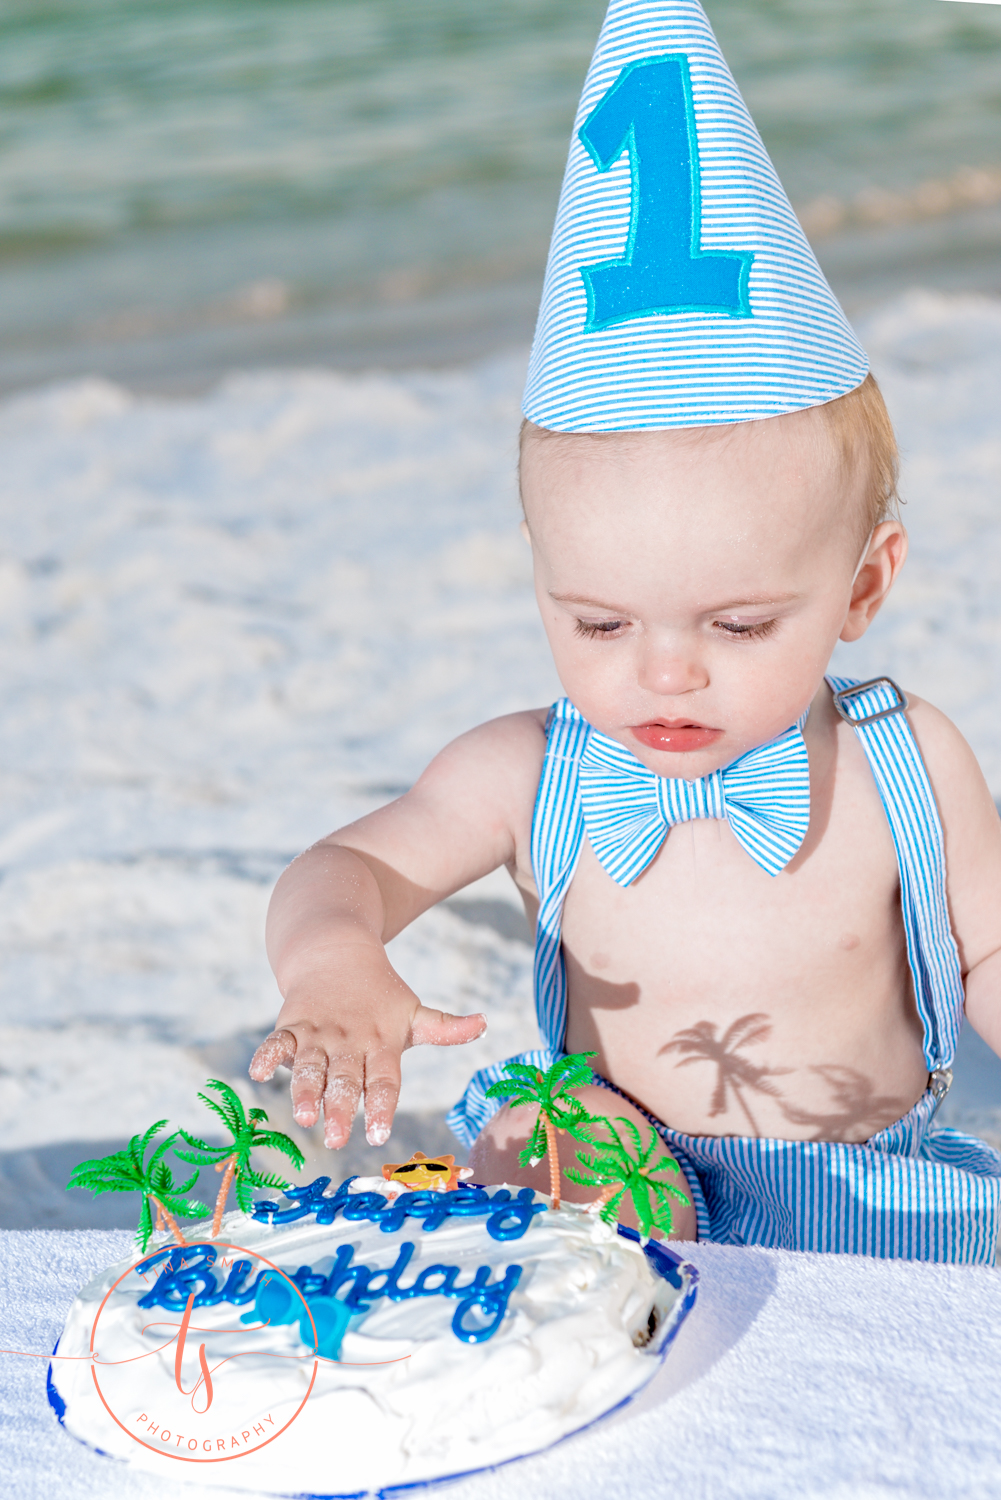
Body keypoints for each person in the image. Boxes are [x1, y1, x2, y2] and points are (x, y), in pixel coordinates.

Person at [250, 0, 1001, 1261]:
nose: (661, 669)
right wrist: (332, 963)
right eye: (595, 619)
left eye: (740, 623)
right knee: (543, 1151)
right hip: (612, 1168)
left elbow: (984, 944)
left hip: (868, 1179)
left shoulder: (903, 757)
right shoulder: (523, 769)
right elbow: (348, 870)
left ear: (862, 590)